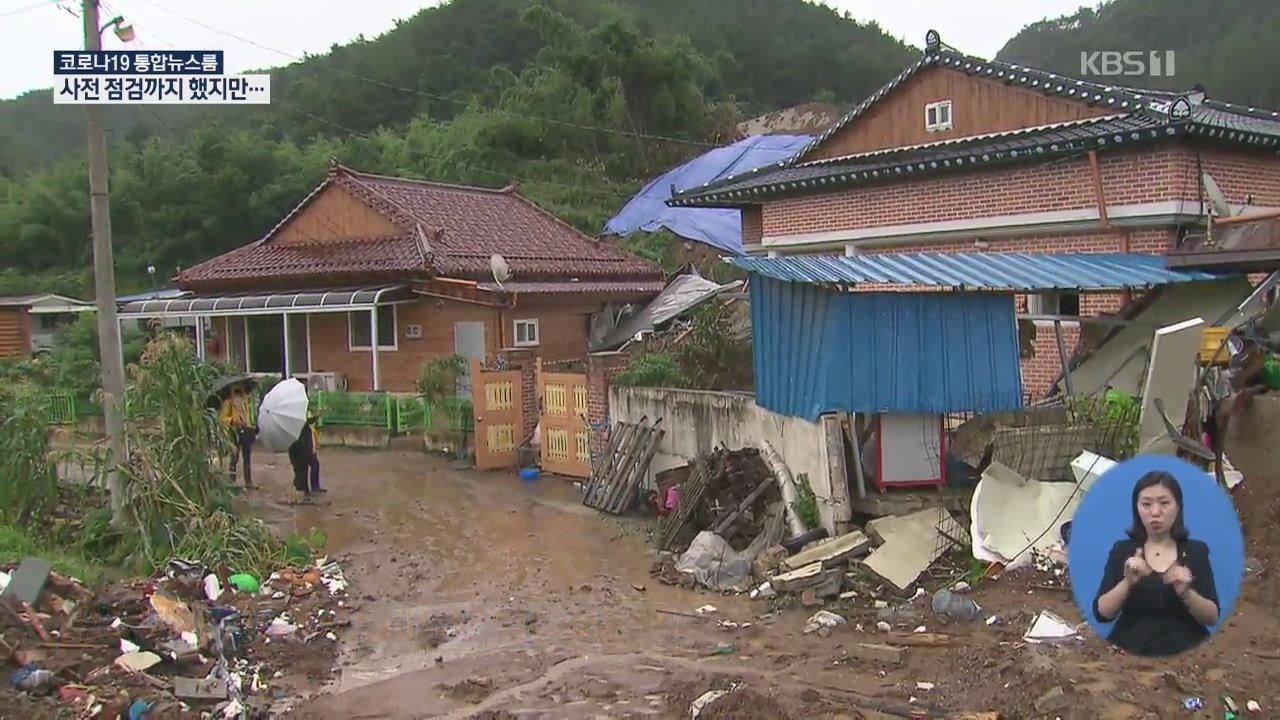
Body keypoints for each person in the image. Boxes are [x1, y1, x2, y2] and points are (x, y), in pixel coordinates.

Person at [1093, 471, 1220, 656]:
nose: (1155, 512)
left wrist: (1186, 593)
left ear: (1178, 507)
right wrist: (1127, 582)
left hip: (1186, 647)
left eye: (1164, 503)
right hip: (1130, 646)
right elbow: (1102, 613)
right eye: (1146, 504)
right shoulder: (1122, 551)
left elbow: (1211, 617)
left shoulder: (1196, 551)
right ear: (1136, 508)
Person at [219, 384, 257, 489]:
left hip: (246, 431)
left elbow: (248, 417)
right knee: (234, 457)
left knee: (247, 457)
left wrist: (249, 425)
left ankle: (248, 481)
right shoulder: (228, 403)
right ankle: (232, 480)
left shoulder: (245, 402)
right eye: (236, 391)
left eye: (240, 390)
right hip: (234, 432)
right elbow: (222, 419)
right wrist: (233, 420)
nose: (239, 393)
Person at [287, 403, 326, 499]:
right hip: (300, 446)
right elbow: (306, 423)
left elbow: (308, 423)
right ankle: (304, 489)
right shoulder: (294, 417)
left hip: (305, 446)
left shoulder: (299, 415)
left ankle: (310, 487)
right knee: (302, 468)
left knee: (311, 465)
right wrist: (317, 415)